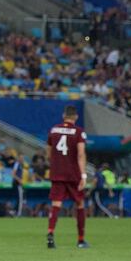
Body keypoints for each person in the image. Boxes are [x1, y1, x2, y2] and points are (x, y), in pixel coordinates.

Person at [46, 105, 89, 249]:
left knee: (56, 204)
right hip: (73, 174)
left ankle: (50, 233)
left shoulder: (54, 130)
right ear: (75, 117)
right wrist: (83, 175)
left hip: (57, 173)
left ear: (63, 115)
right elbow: (81, 154)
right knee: (80, 204)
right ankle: (81, 240)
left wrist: (56, 164)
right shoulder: (78, 132)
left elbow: (48, 154)